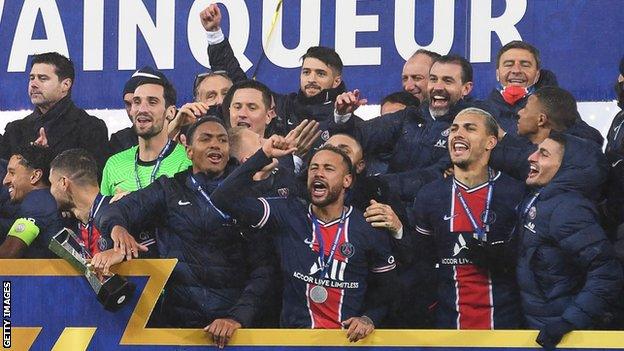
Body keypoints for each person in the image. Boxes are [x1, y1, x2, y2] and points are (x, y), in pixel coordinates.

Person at [93, 117, 274, 344]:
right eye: (205, 139)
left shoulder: (251, 193)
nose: (215, 145)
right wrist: (117, 229)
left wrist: (236, 318)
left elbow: (264, 268)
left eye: (222, 140)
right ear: (188, 150)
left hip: (235, 331)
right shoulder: (169, 189)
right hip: (177, 328)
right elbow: (111, 211)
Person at [210, 138, 397, 341]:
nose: (318, 173)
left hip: (346, 343)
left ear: (347, 180)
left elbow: (387, 289)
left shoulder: (368, 227)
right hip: (295, 342)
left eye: (328, 169)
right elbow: (222, 197)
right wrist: (263, 155)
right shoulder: (288, 213)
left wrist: (368, 318)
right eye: (313, 168)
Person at [410, 108, 524, 329]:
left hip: (506, 324)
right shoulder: (429, 195)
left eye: (469, 128)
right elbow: (422, 261)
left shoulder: (515, 192)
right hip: (448, 323)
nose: (457, 133)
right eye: (453, 129)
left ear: (490, 142)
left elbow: (527, 258)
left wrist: (506, 257)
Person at [516, 133, 622, 349]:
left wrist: (569, 321)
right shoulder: (542, 199)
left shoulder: (569, 210)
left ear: (569, 168)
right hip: (542, 328)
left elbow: (607, 272)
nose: (532, 157)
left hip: (566, 339)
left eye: (543, 154)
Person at [332, 55, 477, 201]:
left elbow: (437, 175)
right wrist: (343, 116)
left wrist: (376, 186)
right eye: (433, 79)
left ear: (466, 88)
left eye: (447, 81)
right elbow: (360, 137)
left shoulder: (472, 125)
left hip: (437, 212)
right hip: (388, 209)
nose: (438, 87)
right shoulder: (409, 116)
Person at [201, 4, 347, 134]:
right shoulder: (284, 107)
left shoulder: (346, 118)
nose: (311, 79)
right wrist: (214, 34)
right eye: (306, 72)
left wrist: (342, 117)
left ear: (336, 81)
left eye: (320, 74)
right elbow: (238, 81)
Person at [0, 52, 110, 171]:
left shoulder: (90, 128)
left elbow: (90, 180)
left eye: (43, 78)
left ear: (65, 85)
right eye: (32, 78)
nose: (33, 84)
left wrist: (46, 156)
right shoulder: (15, 130)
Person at [484, 41, 602, 146]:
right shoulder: (482, 111)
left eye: (525, 65)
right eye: (509, 64)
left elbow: (591, 139)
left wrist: (548, 133)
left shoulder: (555, 107)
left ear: (537, 75)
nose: (516, 71)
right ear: (497, 74)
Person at [100, 67, 191, 196]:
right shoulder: (113, 164)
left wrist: (129, 205)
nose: (142, 109)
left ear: (170, 112)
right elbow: (100, 215)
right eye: (136, 102)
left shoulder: (187, 160)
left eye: (152, 102)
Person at [49, 149, 153, 256]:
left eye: (51, 183)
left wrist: (121, 254)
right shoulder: (70, 225)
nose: (50, 191)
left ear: (63, 183)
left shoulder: (122, 212)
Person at [490, 86, 583, 180]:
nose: (519, 112)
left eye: (525, 109)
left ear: (541, 120)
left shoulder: (567, 158)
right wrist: (502, 136)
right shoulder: (568, 147)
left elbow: (521, 159)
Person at [0, 145, 62, 258]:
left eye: (12, 173)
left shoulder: (37, 201)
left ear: (35, 176)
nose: (5, 181)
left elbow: (8, 253)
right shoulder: (46, 199)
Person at [109, 72, 141, 154]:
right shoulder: (119, 141)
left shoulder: (176, 136)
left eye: (137, 103)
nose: (131, 112)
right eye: (128, 104)